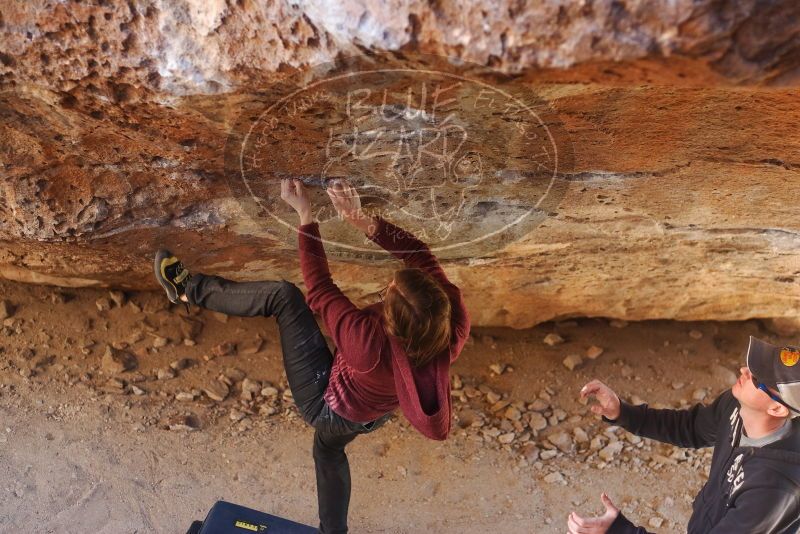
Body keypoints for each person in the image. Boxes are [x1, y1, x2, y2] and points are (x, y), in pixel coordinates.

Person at [154, 178, 470, 533]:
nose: (387, 287)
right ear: (436, 297)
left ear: (391, 322)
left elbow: (319, 290)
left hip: (328, 405)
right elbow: (419, 255)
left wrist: (305, 213)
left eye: (388, 292)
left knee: (283, 297)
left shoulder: (367, 343)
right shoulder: (451, 321)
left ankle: (187, 291)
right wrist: (362, 220)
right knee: (330, 451)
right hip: (374, 411)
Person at [570, 335, 800, 534]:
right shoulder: (737, 405)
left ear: (777, 409)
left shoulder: (774, 488)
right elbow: (690, 428)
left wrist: (619, 530)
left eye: (757, 378)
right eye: (754, 364)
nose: (744, 371)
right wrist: (623, 412)